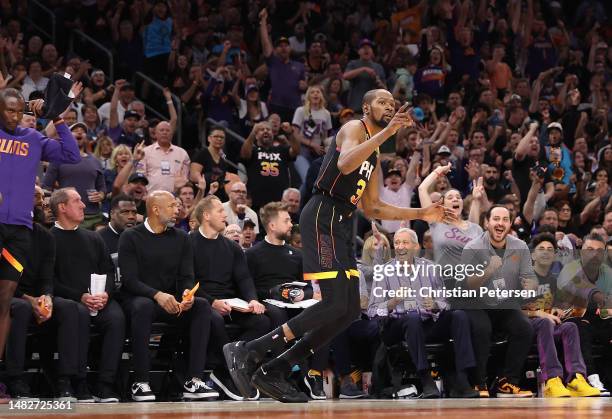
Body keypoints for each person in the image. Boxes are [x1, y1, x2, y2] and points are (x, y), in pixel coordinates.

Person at [224, 89, 454, 403]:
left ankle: (275, 368)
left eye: (391, 102)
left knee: (347, 311)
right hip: (322, 213)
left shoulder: (373, 156)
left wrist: (421, 213)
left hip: (342, 222)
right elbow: (345, 164)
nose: (388, 106)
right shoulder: (354, 129)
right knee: (333, 302)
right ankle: (249, 351)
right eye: (381, 102)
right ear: (366, 106)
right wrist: (387, 132)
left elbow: (373, 208)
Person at [0, 87, 81, 402]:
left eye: (19, 110)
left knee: (5, 300)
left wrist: (57, 118)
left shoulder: (33, 139)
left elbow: (71, 155)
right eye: (8, 109)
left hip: (19, 229)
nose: (15, 115)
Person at [119, 191, 217, 402]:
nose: (177, 210)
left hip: (171, 301)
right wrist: (157, 295)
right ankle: (140, 382)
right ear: (155, 209)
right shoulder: (131, 236)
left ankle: (193, 380)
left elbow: (187, 276)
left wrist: (186, 293)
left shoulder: (181, 237)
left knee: (201, 306)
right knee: (142, 306)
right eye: (172, 206)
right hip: (139, 299)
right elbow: (130, 280)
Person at [368, 228, 479, 398]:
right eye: (396, 243)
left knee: (459, 316)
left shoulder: (431, 268)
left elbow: (446, 301)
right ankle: (425, 378)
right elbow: (372, 311)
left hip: (427, 322)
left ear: (415, 246)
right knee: (411, 318)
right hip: (397, 328)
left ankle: (462, 379)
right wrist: (392, 302)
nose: (400, 247)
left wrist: (435, 304)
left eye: (405, 242)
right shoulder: (383, 272)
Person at [50, 188, 125, 403]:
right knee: (77, 312)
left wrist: (105, 294)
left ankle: (105, 385)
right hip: (67, 300)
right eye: (77, 201)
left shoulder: (94, 237)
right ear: (62, 207)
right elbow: (48, 280)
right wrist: (79, 296)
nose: (83, 205)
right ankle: (71, 381)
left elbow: (109, 271)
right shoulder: (48, 238)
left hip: (98, 299)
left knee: (117, 318)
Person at [190, 195, 267, 400]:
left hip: (231, 303)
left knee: (262, 321)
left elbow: (243, 278)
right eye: (220, 211)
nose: (225, 214)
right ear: (206, 216)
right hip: (202, 302)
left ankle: (226, 370)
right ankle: (230, 371)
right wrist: (212, 302)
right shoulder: (188, 242)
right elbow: (186, 282)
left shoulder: (232, 247)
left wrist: (252, 299)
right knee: (212, 318)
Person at [461, 206, 535, 398]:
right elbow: (467, 284)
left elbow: (530, 276)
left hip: (503, 302)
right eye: (496, 219)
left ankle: (508, 382)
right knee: (482, 328)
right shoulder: (473, 247)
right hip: (475, 303)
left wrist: (531, 285)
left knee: (524, 328)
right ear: (487, 222)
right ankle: (479, 382)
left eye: (504, 219)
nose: (500, 223)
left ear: (510, 224)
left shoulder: (520, 246)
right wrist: (489, 271)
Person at [523, 233, 600, 397]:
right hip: (524, 326)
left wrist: (559, 310)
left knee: (570, 326)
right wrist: (539, 314)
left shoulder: (555, 281)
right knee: (545, 323)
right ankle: (551, 379)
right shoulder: (523, 277)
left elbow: (558, 308)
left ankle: (576, 378)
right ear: (533, 255)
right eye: (541, 249)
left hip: (547, 328)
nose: (546, 252)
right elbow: (512, 310)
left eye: (550, 249)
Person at [43, 122, 106, 230]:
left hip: (94, 216)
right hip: (67, 216)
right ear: (66, 136)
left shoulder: (96, 161)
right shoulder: (58, 159)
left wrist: (100, 195)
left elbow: (102, 188)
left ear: (86, 137)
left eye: (83, 131)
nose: (80, 132)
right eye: (74, 130)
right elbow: (46, 187)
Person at [240, 121, 300, 212]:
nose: (265, 131)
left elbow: (296, 151)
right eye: (261, 130)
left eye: (268, 129)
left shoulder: (281, 150)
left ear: (273, 134)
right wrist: (252, 133)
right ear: (256, 136)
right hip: (256, 202)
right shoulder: (253, 151)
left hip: (279, 203)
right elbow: (244, 154)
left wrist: (290, 133)